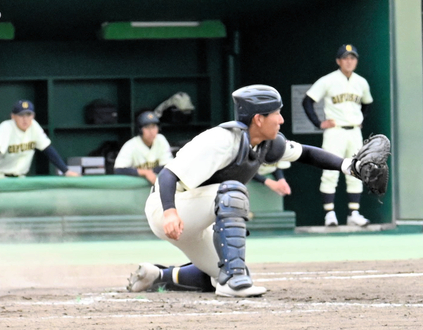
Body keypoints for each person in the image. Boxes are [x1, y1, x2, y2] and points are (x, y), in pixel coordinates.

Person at [127, 85, 373, 297]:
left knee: (221, 271)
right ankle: (233, 283)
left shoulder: (265, 142)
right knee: (233, 194)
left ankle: (158, 275)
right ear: (258, 118)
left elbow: (306, 153)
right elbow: (168, 175)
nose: (281, 120)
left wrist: (350, 166)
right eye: (276, 113)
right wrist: (170, 212)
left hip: (197, 214)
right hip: (168, 208)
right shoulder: (220, 141)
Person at [302, 45, 373, 227]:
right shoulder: (328, 80)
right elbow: (307, 101)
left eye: (352, 58)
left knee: (357, 170)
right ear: (338, 61)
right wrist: (319, 123)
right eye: (345, 58)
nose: (349, 61)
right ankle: (329, 214)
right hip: (335, 131)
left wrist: (360, 119)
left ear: (356, 61)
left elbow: (367, 104)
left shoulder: (361, 82)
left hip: (354, 131)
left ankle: (354, 213)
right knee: (330, 171)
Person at [0, 100, 80, 178]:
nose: (25, 119)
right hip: (0, 177)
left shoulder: (34, 126)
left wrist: (66, 171)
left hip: (21, 178)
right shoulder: (6, 127)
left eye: (28, 115)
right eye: (21, 115)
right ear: (13, 116)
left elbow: (48, 150)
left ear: (33, 116)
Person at [114, 111, 173, 185]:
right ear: (140, 130)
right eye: (147, 127)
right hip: (135, 188)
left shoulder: (161, 140)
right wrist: (144, 172)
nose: (151, 131)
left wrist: (150, 172)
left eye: (154, 127)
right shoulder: (131, 145)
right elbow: (118, 170)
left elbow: (169, 166)